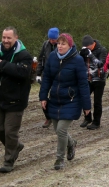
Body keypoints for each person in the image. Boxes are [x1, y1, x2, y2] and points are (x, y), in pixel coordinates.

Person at [0, 27, 33, 173]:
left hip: (16, 101)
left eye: (9, 38)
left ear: (16, 37)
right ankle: (15, 146)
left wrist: (4, 65)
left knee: (10, 132)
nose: (5, 41)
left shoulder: (24, 55)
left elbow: (23, 73)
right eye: (4, 37)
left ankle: (9, 160)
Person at [39, 33, 91, 170]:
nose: (60, 46)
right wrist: (43, 96)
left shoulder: (78, 60)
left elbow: (83, 84)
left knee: (61, 129)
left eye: (63, 44)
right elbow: (47, 79)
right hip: (55, 99)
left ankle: (59, 159)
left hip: (72, 100)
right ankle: (72, 143)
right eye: (59, 43)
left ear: (70, 45)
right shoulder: (52, 57)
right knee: (57, 129)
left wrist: (87, 106)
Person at [78, 35, 108, 130]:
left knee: (97, 102)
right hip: (88, 78)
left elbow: (100, 64)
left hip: (99, 79)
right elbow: (79, 63)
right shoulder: (85, 51)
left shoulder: (102, 50)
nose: (87, 49)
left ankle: (96, 122)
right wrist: (81, 55)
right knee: (84, 98)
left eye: (88, 47)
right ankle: (87, 118)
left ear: (93, 44)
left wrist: (90, 54)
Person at [36, 27, 59, 128]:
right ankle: (48, 117)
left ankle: (59, 116)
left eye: (53, 39)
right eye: (50, 39)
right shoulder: (45, 45)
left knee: (57, 95)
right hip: (47, 74)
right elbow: (41, 59)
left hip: (59, 75)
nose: (51, 41)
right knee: (43, 95)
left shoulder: (63, 45)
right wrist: (38, 73)